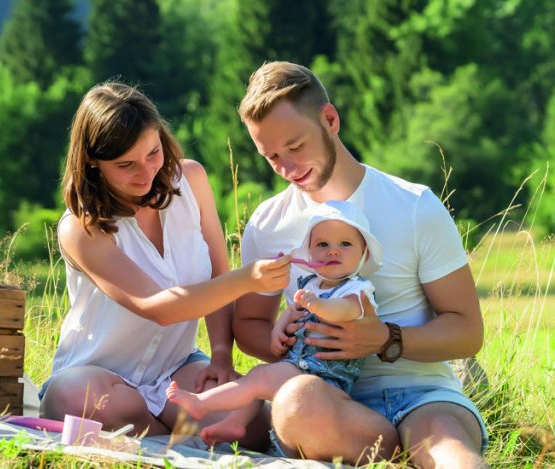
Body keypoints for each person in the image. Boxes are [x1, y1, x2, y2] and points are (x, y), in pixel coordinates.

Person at [231, 61, 487, 467]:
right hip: (325, 401)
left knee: (449, 452)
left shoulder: (415, 205)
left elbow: (468, 331)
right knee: (295, 403)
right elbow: (248, 326)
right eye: (271, 156)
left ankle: (411, 453)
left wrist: (385, 338)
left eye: (295, 147)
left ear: (329, 119)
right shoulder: (268, 223)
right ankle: (390, 456)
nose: (286, 168)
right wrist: (282, 339)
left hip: (421, 397)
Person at [38, 82, 290, 448]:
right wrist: (248, 278)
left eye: (152, 153)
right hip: (96, 375)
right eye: (125, 165)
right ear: (92, 161)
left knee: (250, 420)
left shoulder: (192, 181)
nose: (145, 173)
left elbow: (217, 274)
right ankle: (183, 445)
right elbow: (159, 307)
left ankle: (156, 442)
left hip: (175, 370)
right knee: (76, 401)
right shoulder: (81, 228)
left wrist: (221, 355)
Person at [167, 200, 383, 446]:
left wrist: (318, 305)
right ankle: (235, 422)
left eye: (345, 244)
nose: (333, 251)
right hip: (299, 366)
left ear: (363, 253)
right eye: (323, 244)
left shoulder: (358, 288)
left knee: (260, 378)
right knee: (259, 376)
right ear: (309, 252)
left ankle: (201, 404)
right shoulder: (310, 285)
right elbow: (290, 312)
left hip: (327, 379)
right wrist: (278, 331)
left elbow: (346, 310)